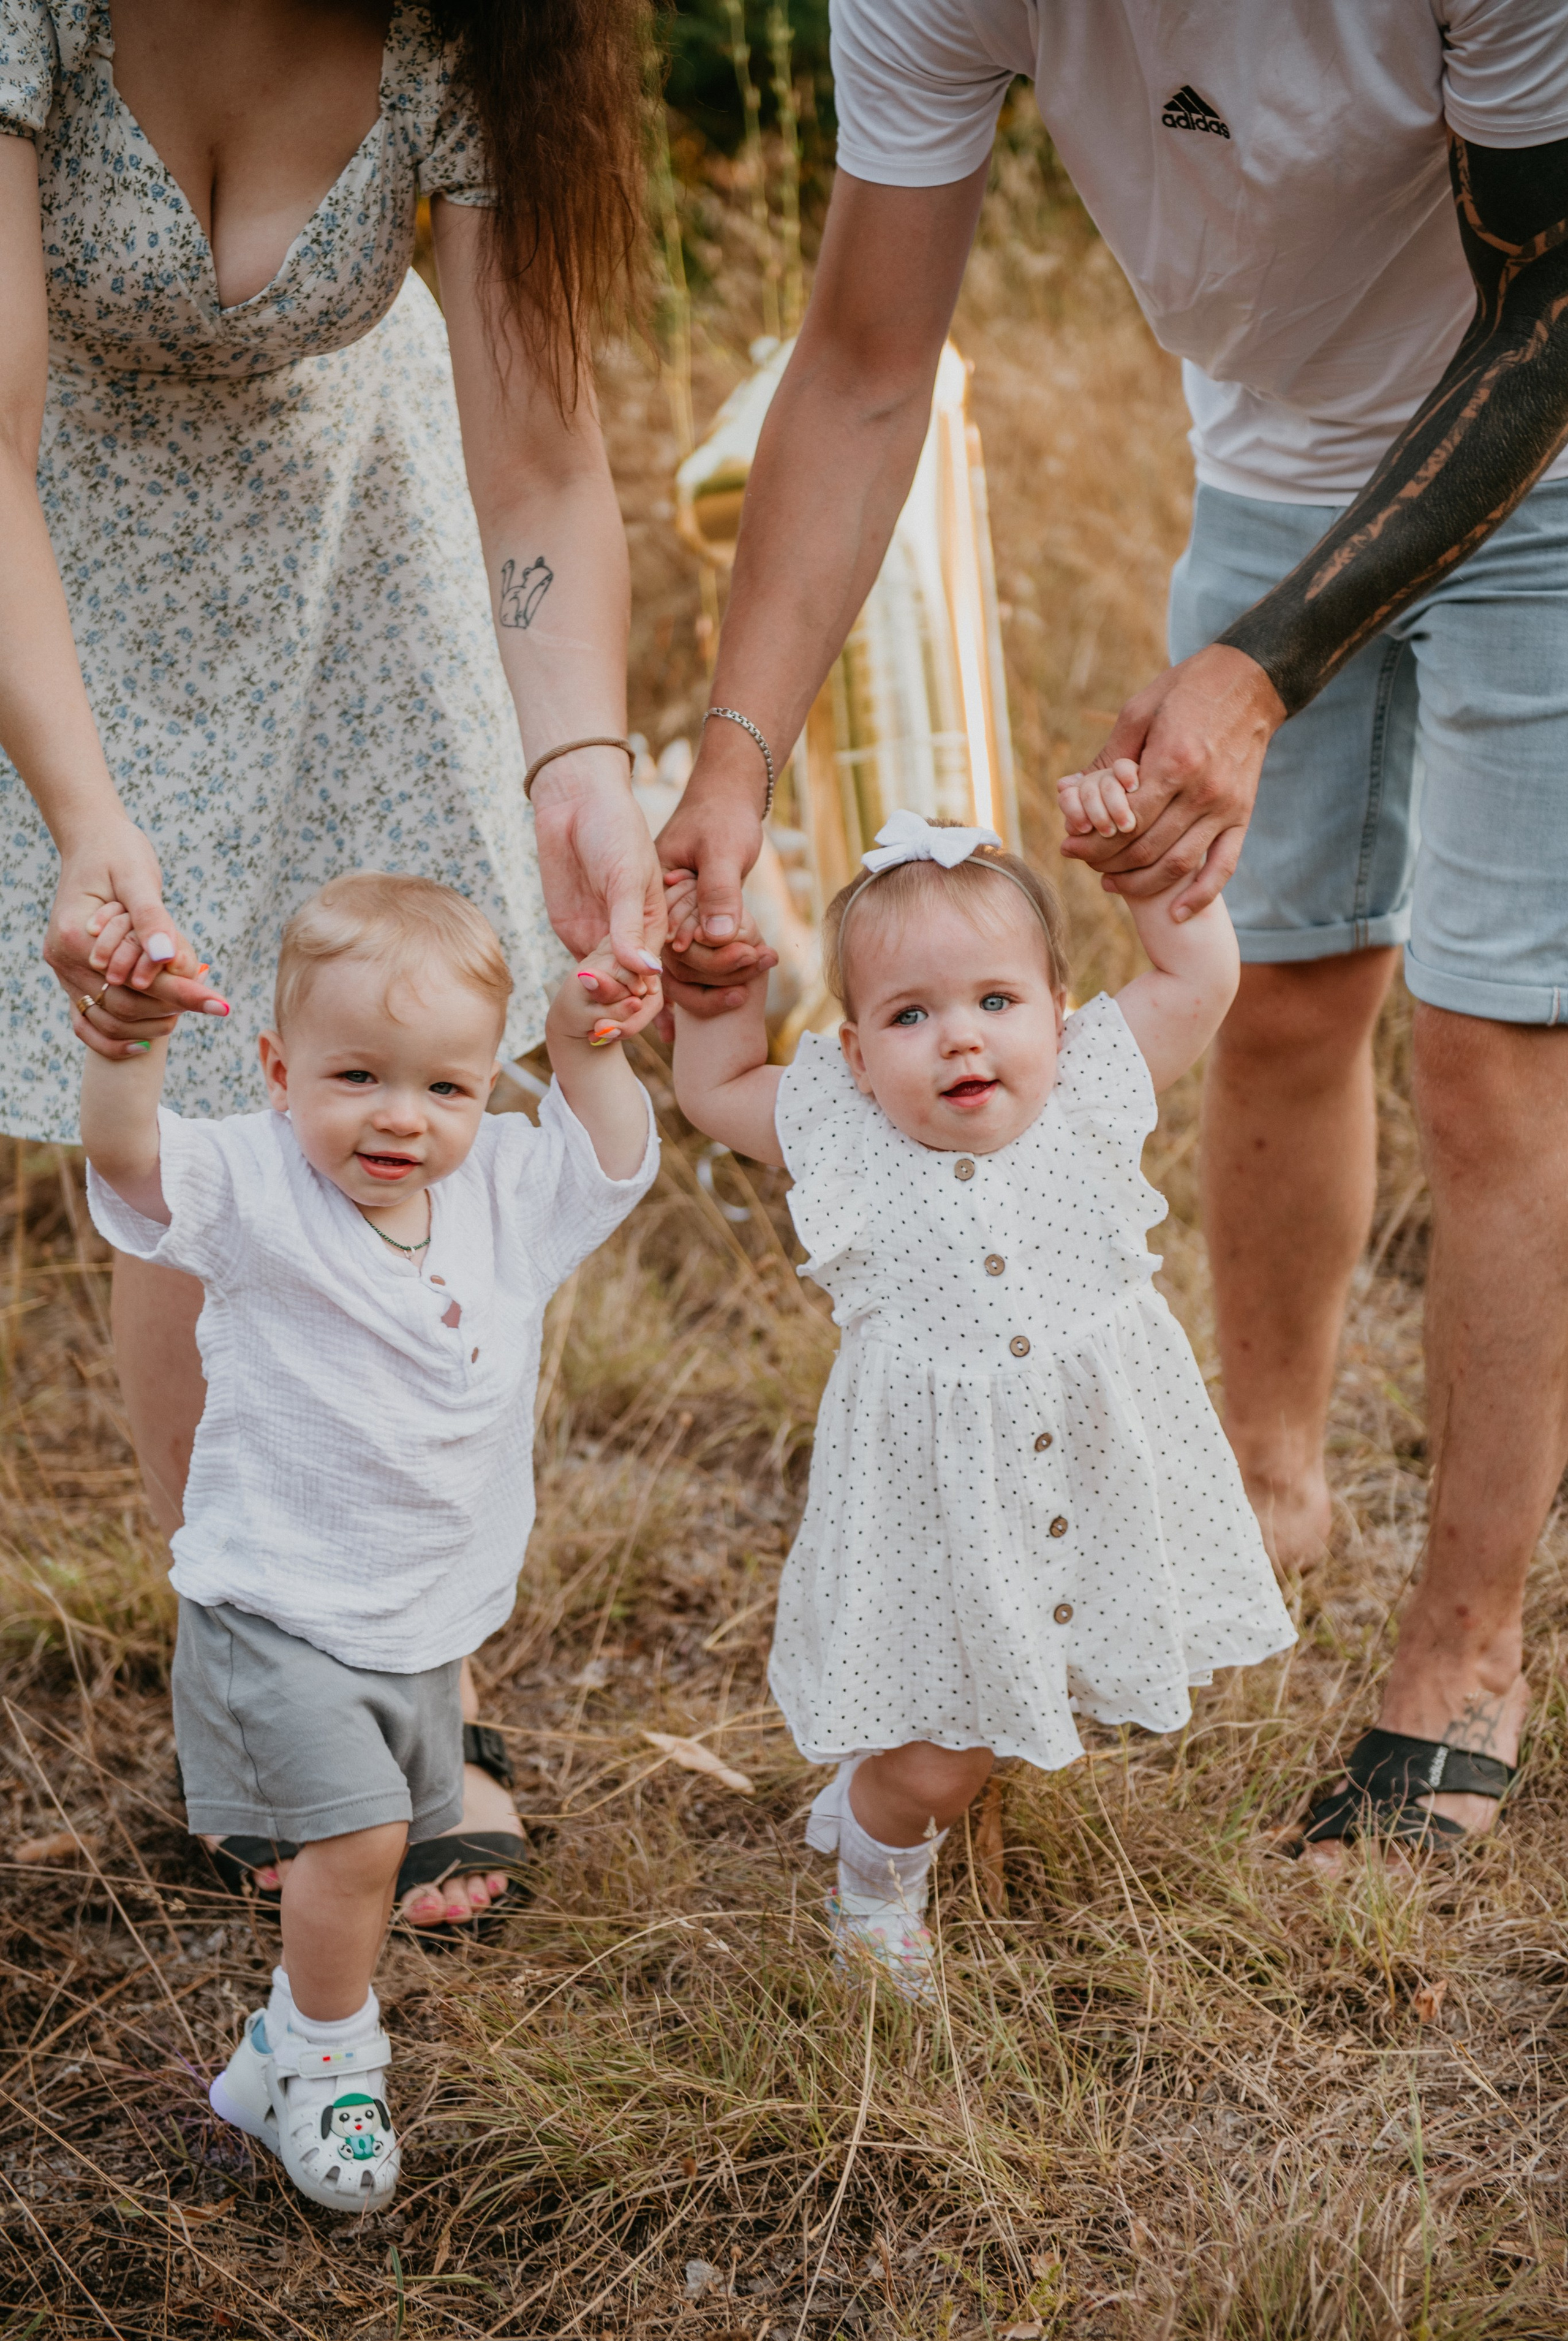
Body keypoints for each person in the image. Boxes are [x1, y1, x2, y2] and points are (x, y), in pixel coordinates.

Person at [657, 2, 1568, 1859]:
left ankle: (1467, 1649)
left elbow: (1555, 308)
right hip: (1266, 473)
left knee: (1492, 1054)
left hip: (1551, 477)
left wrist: (1259, 675)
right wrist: (732, 758)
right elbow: (857, 367)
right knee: (1286, 997)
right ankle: (1267, 1486)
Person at [0, 0, 665, 1922]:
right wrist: (87, 816)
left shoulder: (472, 34)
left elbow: (538, 468)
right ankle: (269, 1689)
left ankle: (417, 1669)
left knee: (407, 1073)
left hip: (361, 548)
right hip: (70, 571)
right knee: (204, 1116)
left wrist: (582, 766)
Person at [79, 872, 660, 2211]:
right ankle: (334, 2063)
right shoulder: (254, 1181)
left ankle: (266, 2055)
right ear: (280, 1070)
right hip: (274, 1605)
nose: (401, 1119)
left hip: (421, 1613)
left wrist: (586, 1043)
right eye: (356, 1077)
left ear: (484, 1090)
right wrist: (128, 1049)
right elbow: (128, 1160)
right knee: (363, 1847)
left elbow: (609, 1154)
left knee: (382, 1839)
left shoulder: (502, 1195)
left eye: (445, 1090)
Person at [656, 807, 1292, 1992]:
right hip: (931, 1515)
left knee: (1038, 1690)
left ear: (1059, 1010)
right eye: (911, 1015)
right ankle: (876, 1891)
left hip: (1081, 1478)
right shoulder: (843, 1131)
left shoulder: (1091, 1083)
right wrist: (716, 995)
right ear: (852, 1052)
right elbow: (715, 1090)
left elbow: (1198, 975)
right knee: (946, 1751)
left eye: (997, 1002)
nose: (961, 1041)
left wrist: (1141, 872)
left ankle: (901, 1811)